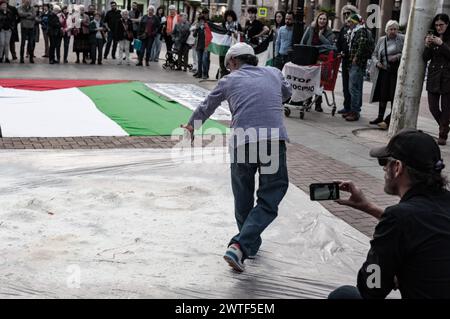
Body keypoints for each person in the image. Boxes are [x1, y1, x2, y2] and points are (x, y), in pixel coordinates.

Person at [181, 43, 292, 272]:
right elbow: (287, 94)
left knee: (242, 195)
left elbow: (206, 106)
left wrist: (192, 127)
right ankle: (244, 244)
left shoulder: (229, 80)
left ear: (232, 62)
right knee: (270, 196)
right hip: (272, 141)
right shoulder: (274, 72)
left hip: (243, 142)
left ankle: (243, 244)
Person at [329, 129, 450, 299]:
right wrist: (368, 207)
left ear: (397, 167)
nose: (384, 168)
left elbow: (371, 287)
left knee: (343, 295)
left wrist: (392, 270)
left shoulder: (398, 218)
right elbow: (423, 226)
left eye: (384, 162)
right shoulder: (439, 205)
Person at [369, 20, 404, 129]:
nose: (393, 31)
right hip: (383, 71)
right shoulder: (381, 40)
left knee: (393, 95)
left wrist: (397, 56)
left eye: (395, 29)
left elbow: (406, 51)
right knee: (382, 94)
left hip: (395, 72)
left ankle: (390, 119)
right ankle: (380, 117)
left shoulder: (402, 39)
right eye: (391, 29)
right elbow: (374, 54)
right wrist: (377, 63)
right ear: (386, 30)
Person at [423, 13, 450, 145]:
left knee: (446, 109)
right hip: (434, 76)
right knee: (433, 107)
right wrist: (428, 46)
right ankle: (444, 126)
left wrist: (442, 44)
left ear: (447, 25)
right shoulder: (432, 37)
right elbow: (425, 58)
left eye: (441, 25)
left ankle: (442, 135)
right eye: (437, 25)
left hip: (447, 77)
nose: (439, 28)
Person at [343, 14, 374, 122]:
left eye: (351, 22)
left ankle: (355, 111)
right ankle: (354, 110)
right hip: (354, 63)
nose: (349, 24)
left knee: (354, 88)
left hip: (357, 64)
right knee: (356, 87)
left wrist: (356, 57)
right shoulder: (355, 31)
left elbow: (362, 44)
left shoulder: (360, 31)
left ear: (356, 22)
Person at [336, 5, 359, 116]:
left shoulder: (358, 28)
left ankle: (354, 110)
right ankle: (347, 106)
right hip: (345, 60)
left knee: (353, 87)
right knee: (346, 85)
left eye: (348, 13)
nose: (346, 15)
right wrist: (339, 52)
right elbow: (339, 44)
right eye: (344, 13)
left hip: (355, 62)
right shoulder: (343, 29)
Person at [218, 9, 242, 78]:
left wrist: (237, 33)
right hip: (223, 46)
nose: (229, 18)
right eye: (227, 16)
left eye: (230, 16)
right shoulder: (223, 24)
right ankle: (223, 76)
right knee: (222, 62)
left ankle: (231, 76)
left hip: (233, 47)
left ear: (233, 17)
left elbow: (241, 35)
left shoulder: (237, 25)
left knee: (231, 62)